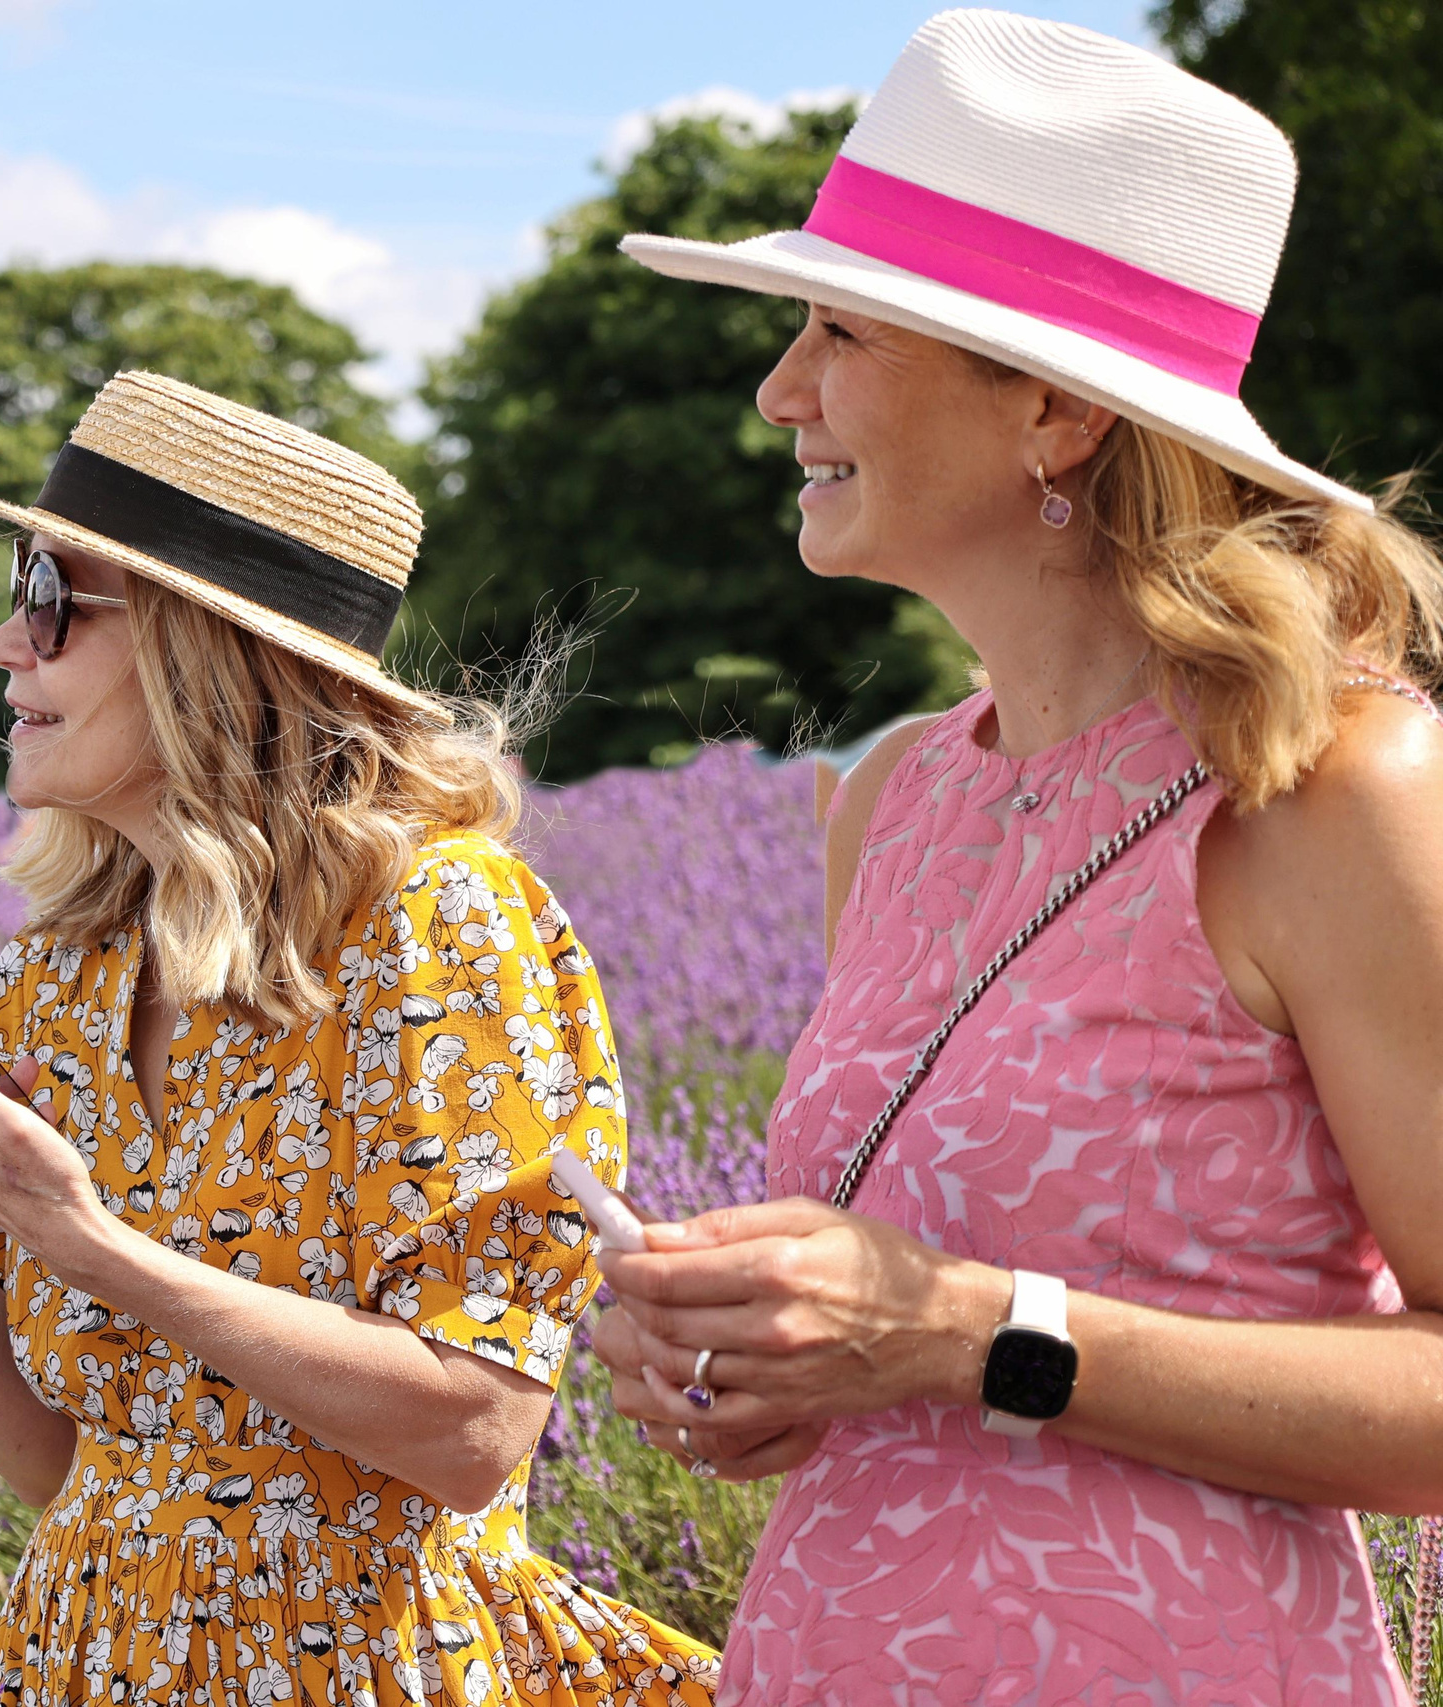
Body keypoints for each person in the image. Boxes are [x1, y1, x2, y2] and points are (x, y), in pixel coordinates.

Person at [589, 10, 1443, 1701]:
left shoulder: (1345, 792)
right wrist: (759, 1364)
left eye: (836, 331)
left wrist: (971, 1332)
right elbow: (896, 1328)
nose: (779, 394)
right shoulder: (897, 796)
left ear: (1049, 409)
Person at [0, 370, 717, 1705]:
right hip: (92, 1662)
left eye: (50, 598)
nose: (5, 642)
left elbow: (475, 1429)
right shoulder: (64, 973)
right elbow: (78, 1464)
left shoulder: (436, 927)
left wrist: (89, 1243)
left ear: (202, 648)